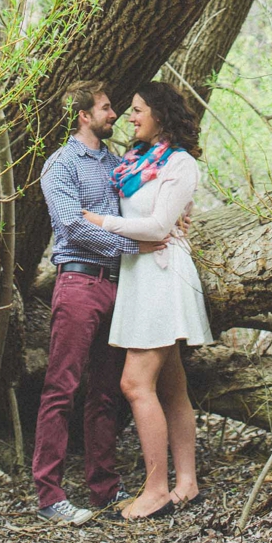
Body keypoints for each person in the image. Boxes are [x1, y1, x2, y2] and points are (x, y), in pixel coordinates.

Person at [32, 79, 168, 525]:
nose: (115, 116)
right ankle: (50, 495)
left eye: (114, 108)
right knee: (61, 388)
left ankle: (105, 489)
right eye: (107, 108)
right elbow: (71, 227)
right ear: (84, 116)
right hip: (78, 286)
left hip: (120, 287)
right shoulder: (60, 165)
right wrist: (130, 248)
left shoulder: (116, 164)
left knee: (106, 393)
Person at [82, 81, 212, 520]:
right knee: (172, 385)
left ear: (159, 114)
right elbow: (142, 222)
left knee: (135, 384)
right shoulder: (133, 163)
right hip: (138, 274)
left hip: (163, 275)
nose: (130, 117)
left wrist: (101, 222)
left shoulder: (180, 164)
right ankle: (188, 483)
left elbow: (158, 228)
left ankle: (157, 489)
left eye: (138, 110)